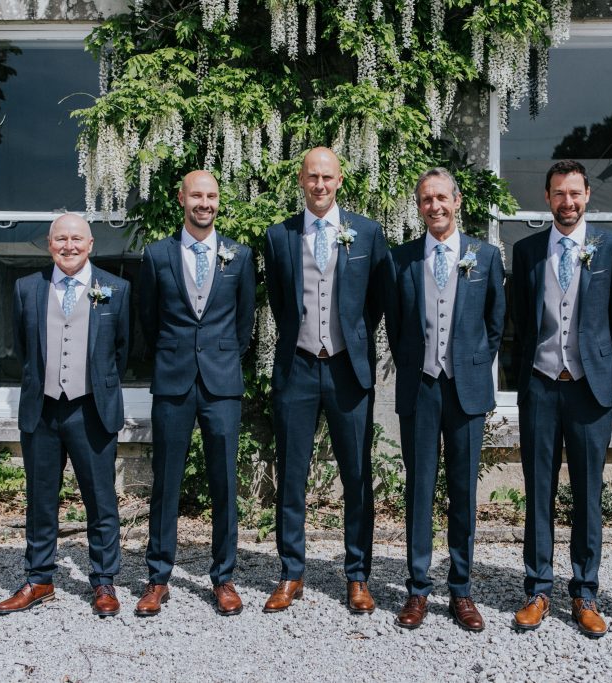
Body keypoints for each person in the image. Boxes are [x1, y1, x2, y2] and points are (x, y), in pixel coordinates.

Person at [262, 147, 391, 614]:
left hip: (346, 369)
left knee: (356, 475)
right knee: (291, 475)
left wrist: (348, 340)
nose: (319, 185)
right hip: (297, 367)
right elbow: (281, 301)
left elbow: (375, 301)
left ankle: (357, 576)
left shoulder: (369, 233)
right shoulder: (279, 237)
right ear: (301, 180)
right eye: (312, 177)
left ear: (340, 181)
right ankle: (291, 572)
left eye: (327, 177)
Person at [511, 160, 612, 637]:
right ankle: (538, 589)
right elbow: (521, 319)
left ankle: (584, 592)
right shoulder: (526, 251)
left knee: (588, 493)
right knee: (538, 490)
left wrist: (596, 361)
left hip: (588, 388)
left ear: (588, 196)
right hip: (540, 385)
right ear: (547, 198)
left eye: (575, 193)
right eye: (559, 193)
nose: (568, 202)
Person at [387, 168, 505, 632]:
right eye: (425, 200)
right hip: (421, 386)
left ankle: (461, 590)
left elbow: (495, 323)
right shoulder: (402, 260)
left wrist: (471, 363)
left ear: (457, 201)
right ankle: (418, 589)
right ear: (418, 207)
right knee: (418, 489)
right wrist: (422, 363)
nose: (434, 206)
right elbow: (396, 327)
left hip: (466, 388)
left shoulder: (486, 256)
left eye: (441, 198)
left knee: (462, 491)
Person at [135, 170, 256, 617]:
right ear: (181, 198)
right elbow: (148, 319)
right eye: (196, 195)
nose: (204, 203)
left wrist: (221, 355)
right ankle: (157, 577)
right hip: (173, 379)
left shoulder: (238, 256)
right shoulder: (157, 255)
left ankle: (224, 577)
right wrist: (177, 354)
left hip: (222, 382)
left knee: (225, 482)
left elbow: (245, 323)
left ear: (218, 202)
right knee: (166, 482)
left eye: (211, 195)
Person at [0, 213, 130, 618]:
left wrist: (95, 387)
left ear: (90, 244)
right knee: (40, 499)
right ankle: (39, 579)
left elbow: (120, 351)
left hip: (92, 409)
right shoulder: (26, 288)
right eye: (60, 239)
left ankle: (104, 581)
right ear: (49, 244)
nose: (68, 246)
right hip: (42, 410)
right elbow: (23, 348)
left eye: (76, 239)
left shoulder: (115, 288)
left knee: (101, 499)